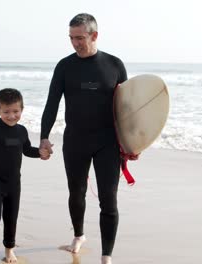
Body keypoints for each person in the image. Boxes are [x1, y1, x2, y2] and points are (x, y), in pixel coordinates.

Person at [39, 13, 138, 264]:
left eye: (80, 38)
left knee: (108, 198)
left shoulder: (115, 65)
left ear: (95, 35)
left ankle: (106, 256)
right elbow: (52, 104)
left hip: (107, 143)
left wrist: (133, 143)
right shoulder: (64, 66)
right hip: (75, 141)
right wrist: (43, 137)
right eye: (71, 38)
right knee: (76, 193)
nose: (75, 43)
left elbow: (126, 110)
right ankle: (79, 235)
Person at [0, 88, 49, 264]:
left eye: (15, 111)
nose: (11, 116)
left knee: (11, 217)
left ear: (22, 109)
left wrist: (40, 153)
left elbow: (26, 150)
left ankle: (9, 250)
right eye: (6, 112)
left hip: (14, 183)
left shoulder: (22, 131)